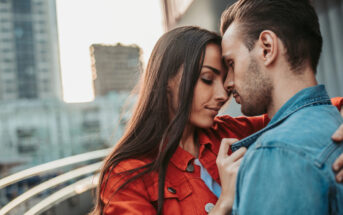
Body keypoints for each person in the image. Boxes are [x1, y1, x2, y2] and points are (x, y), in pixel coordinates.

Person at [89, 25, 343, 215]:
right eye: (207, 79)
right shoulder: (127, 175)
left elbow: (308, 110)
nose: (223, 95)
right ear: (167, 79)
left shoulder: (231, 132)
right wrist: (223, 205)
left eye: (223, 81)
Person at [218, 0, 343, 214]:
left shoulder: (276, 153)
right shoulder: (334, 123)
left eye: (231, 64)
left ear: (267, 48)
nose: (228, 83)